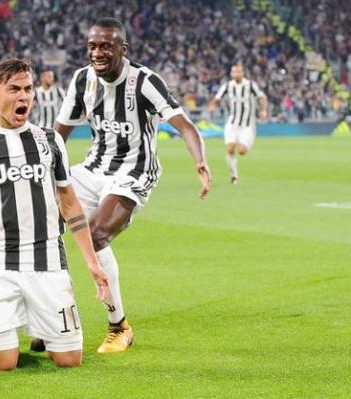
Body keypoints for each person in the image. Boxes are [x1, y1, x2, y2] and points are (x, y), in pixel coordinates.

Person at [49, 18, 211, 353]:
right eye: (93, 46)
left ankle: (118, 325)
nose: (98, 52)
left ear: (123, 49)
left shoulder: (145, 82)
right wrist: (44, 172)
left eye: (106, 46)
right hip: (93, 168)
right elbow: (59, 134)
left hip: (133, 173)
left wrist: (200, 161)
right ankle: (50, 315)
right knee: (40, 221)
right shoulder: (81, 80)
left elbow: (186, 126)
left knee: (94, 235)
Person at [0, 58, 109, 371]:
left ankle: (28, 317)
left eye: (28, 89)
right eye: (14, 89)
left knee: (69, 360)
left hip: (48, 263)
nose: (24, 97)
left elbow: (69, 202)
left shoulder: (50, 141)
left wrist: (92, 262)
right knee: (2, 363)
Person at [209, 63, 268, 185]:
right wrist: (213, 106)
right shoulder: (227, 86)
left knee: (241, 151)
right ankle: (234, 177)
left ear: (243, 73)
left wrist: (263, 111)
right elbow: (216, 99)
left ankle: (248, 143)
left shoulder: (250, 85)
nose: (236, 74)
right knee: (230, 148)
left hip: (247, 125)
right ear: (231, 73)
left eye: (238, 72)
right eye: (234, 72)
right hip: (232, 123)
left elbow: (262, 97)